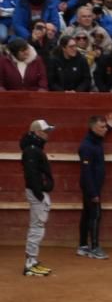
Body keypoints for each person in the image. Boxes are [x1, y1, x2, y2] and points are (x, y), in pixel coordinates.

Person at [77, 112, 112, 261]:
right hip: (91, 186)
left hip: (92, 185)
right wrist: (93, 192)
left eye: (105, 126)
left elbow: (100, 136)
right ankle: (94, 247)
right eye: (102, 127)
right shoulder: (86, 146)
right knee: (95, 215)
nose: (105, 129)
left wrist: (109, 127)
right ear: (93, 128)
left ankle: (82, 246)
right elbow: (86, 172)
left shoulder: (94, 140)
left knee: (87, 215)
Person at [20, 118, 54, 278]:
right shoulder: (32, 150)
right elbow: (32, 174)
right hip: (37, 193)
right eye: (45, 131)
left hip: (37, 192)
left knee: (37, 226)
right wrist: (40, 193)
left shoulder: (33, 149)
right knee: (37, 227)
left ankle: (32, 261)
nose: (47, 134)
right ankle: (30, 263)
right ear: (36, 132)